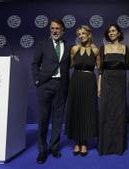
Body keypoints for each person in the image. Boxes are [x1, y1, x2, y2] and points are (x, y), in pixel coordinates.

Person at [31, 19, 70, 164]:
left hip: (61, 85)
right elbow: (35, 63)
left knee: (58, 119)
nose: (54, 31)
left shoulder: (68, 46)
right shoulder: (42, 44)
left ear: (62, 31)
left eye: (57, 28)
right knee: (43, 119)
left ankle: (54, 147)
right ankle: (42, 150)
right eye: (52, 28)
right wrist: (37, 79)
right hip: (45, 85)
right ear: (50, 30)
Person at [65, 25, 99, 157]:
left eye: (83, 33)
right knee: (76, 110)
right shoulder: (74, 49)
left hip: (90, 82)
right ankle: (76, 142)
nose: (81, 36)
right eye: (79, 34)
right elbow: (70, 65)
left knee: (87, 110)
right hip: (76, 81)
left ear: (89, 34)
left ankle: (84, 142)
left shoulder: (96, 50)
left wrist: (100, 86)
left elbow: (100, 69)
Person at [98, 24, 129, 155]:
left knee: (119, 113)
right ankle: (105, 146)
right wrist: (99, 86)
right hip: (106, 82)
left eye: (113, 31)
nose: (111, 33)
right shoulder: (103, 48)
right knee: (106, 112)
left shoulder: (125, 48)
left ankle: (118, 146)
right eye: (109, 31)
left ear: (118, 33)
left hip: (120, 83)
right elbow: (100, 70)